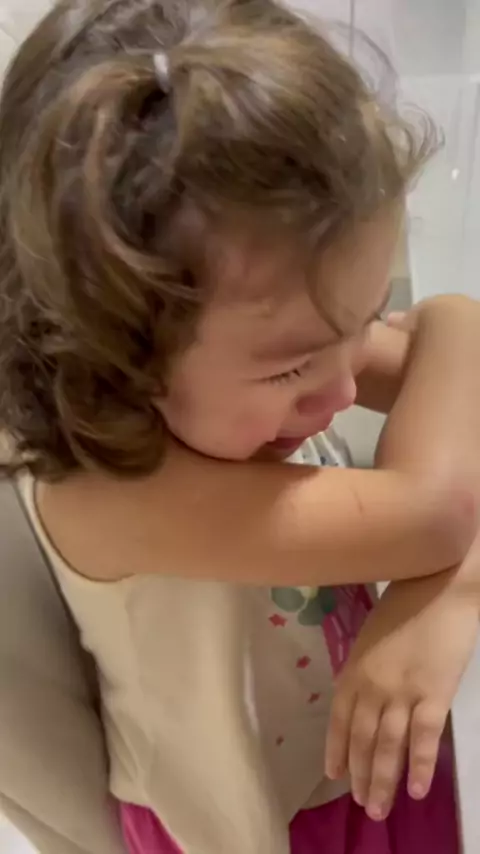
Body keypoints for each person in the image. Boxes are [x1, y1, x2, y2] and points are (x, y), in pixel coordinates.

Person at [1, 1, 480, 852]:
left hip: (361, 760)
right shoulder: (111, 497)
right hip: (251, 825)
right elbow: (438, 510)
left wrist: (434, 597)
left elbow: (463, 363)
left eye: (366, 320)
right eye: (292, 370)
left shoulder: (270, 345)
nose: (341, 390)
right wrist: (445, 587)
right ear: (111, 358)